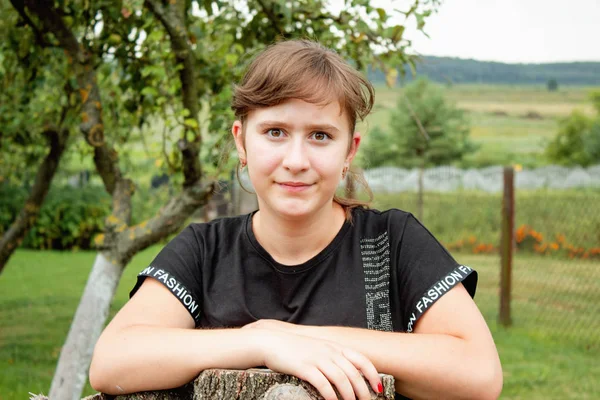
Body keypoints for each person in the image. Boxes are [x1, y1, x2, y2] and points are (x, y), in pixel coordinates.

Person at [89, 40, 502, 400]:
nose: (296, 161)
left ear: (349, 150)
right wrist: (260, 340)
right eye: (275, 132)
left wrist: (307, 340)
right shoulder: (205, 250)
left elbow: (479, 374)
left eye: (320, 136)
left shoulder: (393, 241)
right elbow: (112, 359)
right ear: (241, 141)